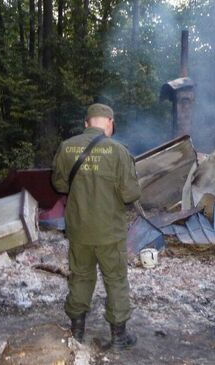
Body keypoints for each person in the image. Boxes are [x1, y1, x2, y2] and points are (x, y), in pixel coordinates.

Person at [51, 103, 141, 350]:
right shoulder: (119, 151)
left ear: (86, 123)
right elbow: (130, 194)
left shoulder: (67, 147)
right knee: (116, 280)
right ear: (109, 123)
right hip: (109, 231)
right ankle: (119, 338)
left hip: (79, 229)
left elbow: (59, 185)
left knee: (80, 276)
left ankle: (77, 333)